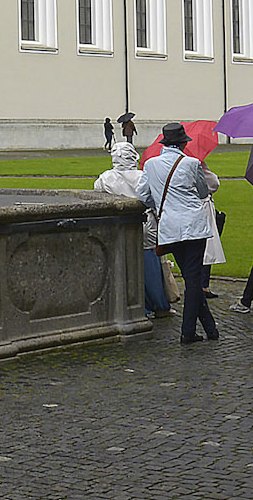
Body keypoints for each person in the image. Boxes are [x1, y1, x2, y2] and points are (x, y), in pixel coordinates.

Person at [137, 124, 221, 345]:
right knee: (193, 281)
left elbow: (143, 194)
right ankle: (188, 332)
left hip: (169, 228)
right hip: (193, 227)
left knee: (191, 278)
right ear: (184, 143)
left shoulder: (151, 165)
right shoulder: (192, 163)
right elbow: (204, 191)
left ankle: (211, 329)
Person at [94, 140, 169, 316]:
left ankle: (130, 303)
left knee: (122, 261)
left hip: (119, 224)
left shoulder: (105, 178)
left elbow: (98, 200)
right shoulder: (143, 176)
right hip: (146, 223)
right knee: (149, 262)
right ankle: (158, 304)